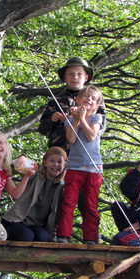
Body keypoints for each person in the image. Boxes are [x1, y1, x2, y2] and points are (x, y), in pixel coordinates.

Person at [56, 86, 105, 244]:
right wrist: (76, 119)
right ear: (77, 100)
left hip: (93, 168)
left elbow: (91, 136)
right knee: (68, 202)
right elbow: (71, 139)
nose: (89, 99)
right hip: (74, 167)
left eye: (93, 99)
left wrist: (83, 119)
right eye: (86, 96)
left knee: (90, 204)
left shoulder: (97, 118)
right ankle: (63, 235)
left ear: (96, 105)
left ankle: (91, 237)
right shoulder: (70, 120)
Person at [1, 147, 67, 242]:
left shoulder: (62, 187)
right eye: (52, 161)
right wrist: (22, 157)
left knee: (43, 238)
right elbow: (18, 164)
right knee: (26, 236)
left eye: (59, 162)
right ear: (45, 162)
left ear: (65, 164)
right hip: (16, 220)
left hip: (37, 226)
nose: (55, 164)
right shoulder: (35, 174)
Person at [38, 57, 95, 153]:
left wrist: (76, 120)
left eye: (79, 74)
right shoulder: (54, 101)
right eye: (71, 74)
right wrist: (53, 119)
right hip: (59, 153)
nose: (75, 77)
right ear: (65, 77)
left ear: (86, 77)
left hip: (84, 153)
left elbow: (100, 127)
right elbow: (42, 129)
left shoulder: (93, 100)